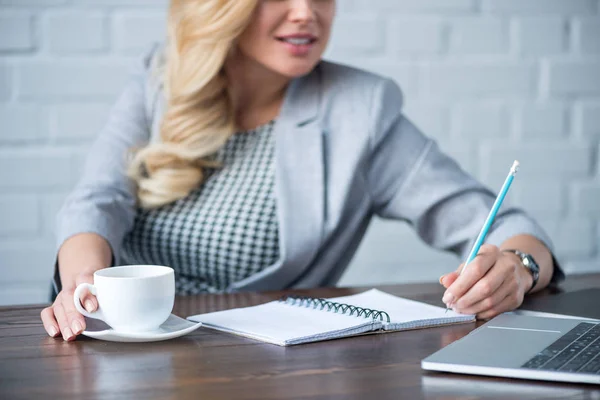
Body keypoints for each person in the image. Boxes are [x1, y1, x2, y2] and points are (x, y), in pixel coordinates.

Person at [40, 0, 563, 341]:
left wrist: (518, 267)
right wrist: (83, 281)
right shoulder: (159, 77)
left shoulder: (361, 110)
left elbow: (499, 223)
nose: (305, 13)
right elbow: (97, 197)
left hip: (253, 367)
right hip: (107, 338)